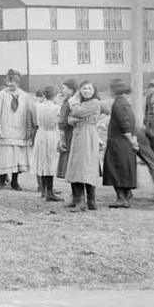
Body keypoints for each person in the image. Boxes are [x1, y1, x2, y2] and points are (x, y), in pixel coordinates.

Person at [64, 81, 104, 211]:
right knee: (77, 165)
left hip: (87, 135)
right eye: (84, 88)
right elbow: (70, 118)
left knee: (85, 166)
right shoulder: (81, 103)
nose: (86, 91)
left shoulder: (95, 102)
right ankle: (79, 199)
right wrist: (72, 119)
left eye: (89, 88)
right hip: (78, 134)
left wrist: (74, 102)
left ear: (94, 90)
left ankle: (86, 202)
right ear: (80, 90)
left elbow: (77, 112)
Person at [0, 70, 32, 190]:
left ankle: (15, 181)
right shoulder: (3, 94)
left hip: (20, 130)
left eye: (13, 82)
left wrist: (29, 129)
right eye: (8, 81)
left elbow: (28, 112)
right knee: (5, 155)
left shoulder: (24, 95)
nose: (10, 84)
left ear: (18, 83)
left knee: (18, 156)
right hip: (6, 128)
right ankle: (1, 179)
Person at [102, 79, 139, 208]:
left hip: (118, 141)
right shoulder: (126, 103)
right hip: (126, 141)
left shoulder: (117, 103)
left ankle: (121, 198)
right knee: (126, 168)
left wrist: (130, 139)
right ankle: (127, 194)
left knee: (115, 169)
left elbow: (124, 124)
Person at [32, 86, 62, 201]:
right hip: (51, 134)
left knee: (43, 161)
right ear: (55, 96)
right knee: (50, 162)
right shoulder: (56, 108)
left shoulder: (38, 106)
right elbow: (57, 122)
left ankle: (44, 190)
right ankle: (49, 191)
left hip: (40, 134)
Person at [56, 79, 78, 184]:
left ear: (71, 89)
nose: (62, 90)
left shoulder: (69, 102)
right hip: (70, 134)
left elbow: (62, 122)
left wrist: (62, 140)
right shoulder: (69, 101)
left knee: (72, 163)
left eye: (64, 88)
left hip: (71, 135)